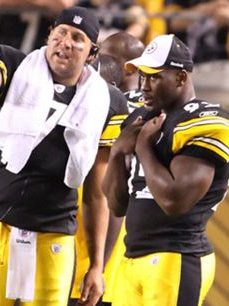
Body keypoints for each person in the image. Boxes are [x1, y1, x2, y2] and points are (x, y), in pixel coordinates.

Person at [0, 6, 127, 306]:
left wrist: (96, 265)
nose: (66, 42)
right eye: (61, 33)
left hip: (53, 236)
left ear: (92, 54)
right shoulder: (14, 64)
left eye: (78, 38)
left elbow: (96, 193)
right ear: (49, 36)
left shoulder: (107, 101)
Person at [102, 34, 229, 306]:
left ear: (180, 78)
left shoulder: (206, 119)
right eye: (142, 76)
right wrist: (118, 153)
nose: (144, 86)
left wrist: (143, 148)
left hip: (175, 256)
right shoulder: (140, 118)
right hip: (132, 258)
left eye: (154, 77)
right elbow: (116, 205)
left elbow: (174, 201)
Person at [69, 31, 145, 306]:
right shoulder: (154, 108)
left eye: (105, 56)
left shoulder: (112, 107)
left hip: (95, 238)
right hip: (132, 247)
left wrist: (97, 265)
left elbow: (109, 194)